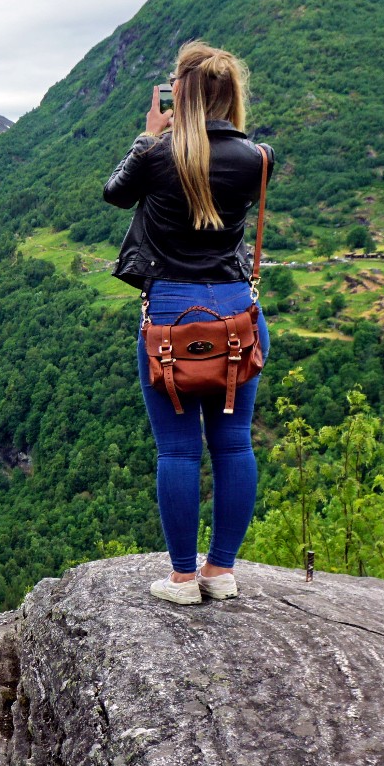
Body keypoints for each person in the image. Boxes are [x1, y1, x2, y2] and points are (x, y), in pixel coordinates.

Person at [103, 42, 274, 605]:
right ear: (231, 93)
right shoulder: (259, 159)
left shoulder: (157, 155)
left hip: (171, 314)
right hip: (236, 313)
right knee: (233, 445)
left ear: (179, 93)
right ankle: (220, 571)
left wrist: (151, 135)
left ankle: (181, 578)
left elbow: (115, 194)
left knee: (178, 451)